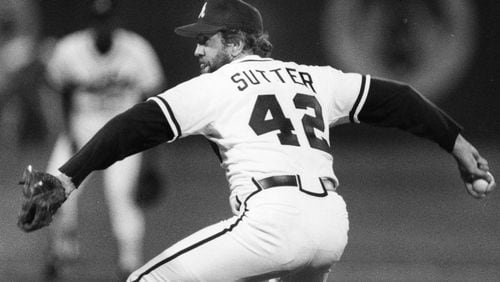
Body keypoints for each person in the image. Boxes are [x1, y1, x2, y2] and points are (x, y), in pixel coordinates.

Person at [36, 0, 495, 280]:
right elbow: (398, 99)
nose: (197, 50)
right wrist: (457, 146)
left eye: (206, 41)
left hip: (273, 222)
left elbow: (134, 124)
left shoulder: (218, 85)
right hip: (332, 225)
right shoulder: (315, 78)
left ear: (235, 43)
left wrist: (67, 178)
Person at [43, 0, 165, 279]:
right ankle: (61, 253)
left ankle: (129, 265)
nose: (103, 26)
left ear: (116, 22)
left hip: (125, 132)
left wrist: (151, 159)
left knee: (123, 198)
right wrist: (67, 132)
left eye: (107, 20)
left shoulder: (137, 50)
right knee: (55, 190)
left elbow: (155, 101)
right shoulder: (69, 50)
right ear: (90, 24)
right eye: (98, 21)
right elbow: (58, 92)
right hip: (81, 129)